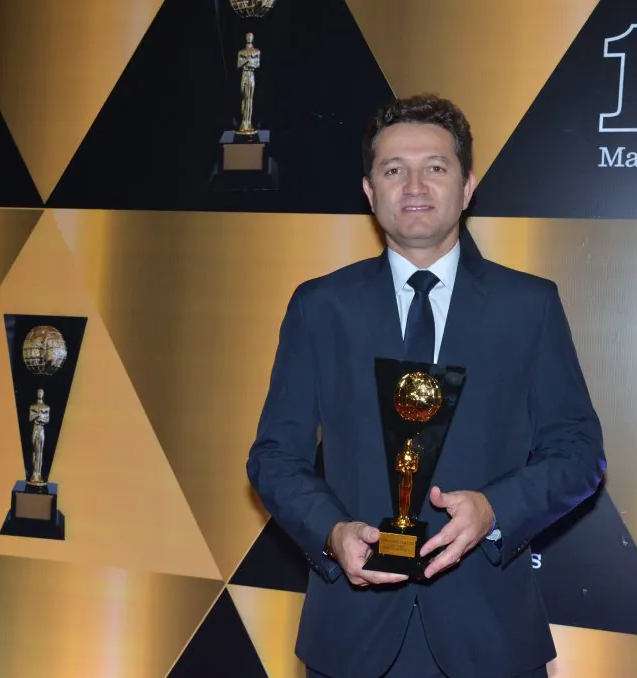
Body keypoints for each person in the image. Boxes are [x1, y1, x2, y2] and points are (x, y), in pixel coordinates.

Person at [246, 94, 606, 678]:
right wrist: (332, 533)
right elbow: (275, 457)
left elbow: (579, 454)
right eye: (393, 170)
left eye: (435, 167)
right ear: (370, 192)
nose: (414, 185)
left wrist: (494, 509)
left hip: (490, 635)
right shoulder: (320, 307)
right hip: (351, 634)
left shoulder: (529, 306)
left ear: (467, 188)